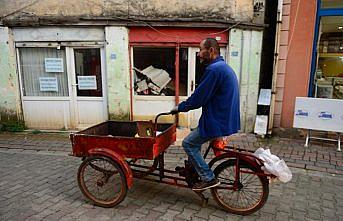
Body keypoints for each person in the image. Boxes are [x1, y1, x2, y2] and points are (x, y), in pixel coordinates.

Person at [171, 38, 240, 191]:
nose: (198, 54)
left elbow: (198, 98)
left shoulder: (214, 70)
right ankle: (195, 169)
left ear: (210, 51)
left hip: (216, 121)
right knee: (195, 138)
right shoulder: (224, 67)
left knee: (188, 143)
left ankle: (208, 178)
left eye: (200, 50)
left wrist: (179, 108)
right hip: (225, 119)